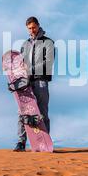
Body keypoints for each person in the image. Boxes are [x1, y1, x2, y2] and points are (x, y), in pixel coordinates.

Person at [13, 16, 55, 152]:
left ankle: (45, 142)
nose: (32, 30)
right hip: (26, 83)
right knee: (23, 112)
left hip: (41, 80)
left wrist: (29, 69)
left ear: (38, 26)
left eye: (34, 27)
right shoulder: (24, 45)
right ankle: (21, 142)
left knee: (42, 112)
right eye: (29, 28)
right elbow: (20, 63)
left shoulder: (48, 42)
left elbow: (48, 62)